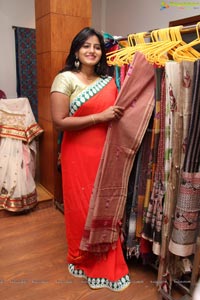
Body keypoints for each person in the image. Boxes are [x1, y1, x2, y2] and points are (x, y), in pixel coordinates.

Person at [50, 27, 130, 291]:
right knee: (82, 207)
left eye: (96, 47)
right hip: (77, 154)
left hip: (107, 153)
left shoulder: (110, 81)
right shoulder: (65, 80)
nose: (92, 51)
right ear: (76, 50)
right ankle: (81, 257)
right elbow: (60, 122)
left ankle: (105, 259)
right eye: (86, 46)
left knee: (105, 207)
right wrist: (100, 117)